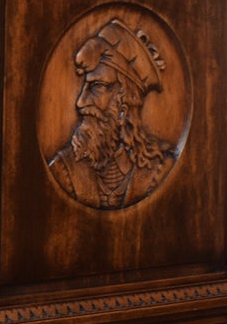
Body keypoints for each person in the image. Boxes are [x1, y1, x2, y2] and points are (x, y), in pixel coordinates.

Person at [46, 19, 178, 209]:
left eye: (97, 86)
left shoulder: (161, 170)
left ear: (125, 103)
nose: (80, 102)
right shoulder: (63, 169)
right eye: (84, 87)